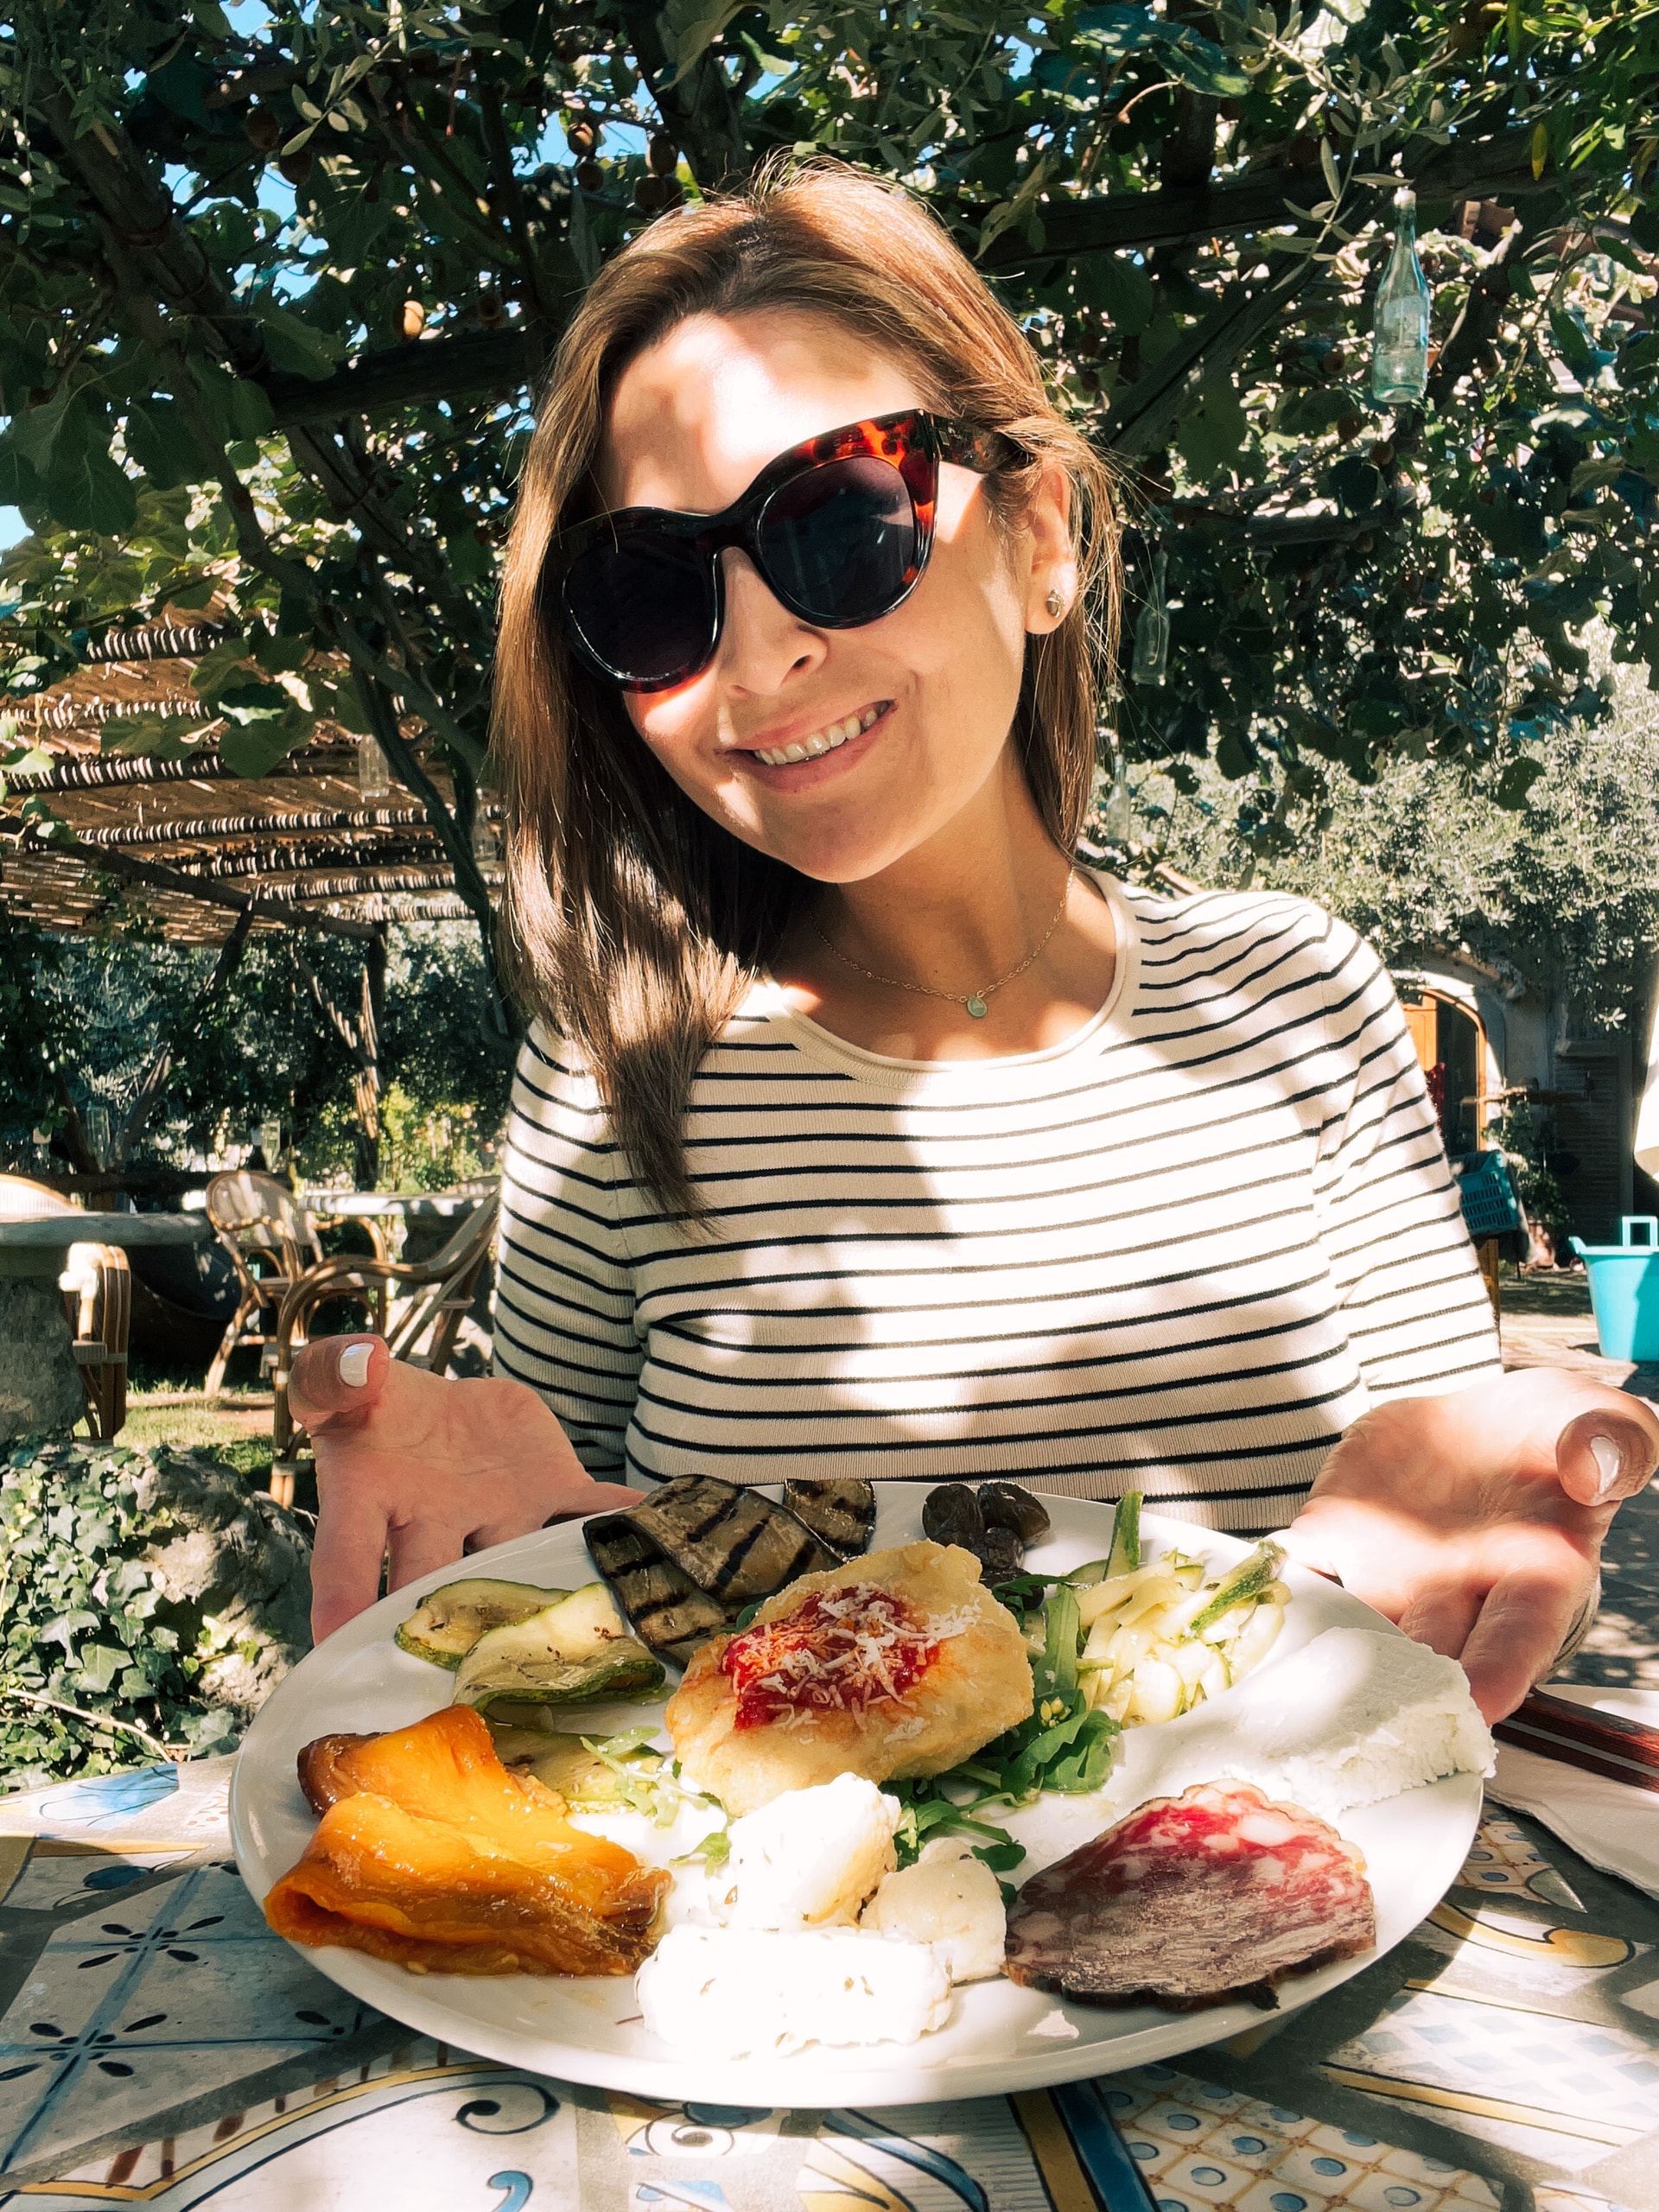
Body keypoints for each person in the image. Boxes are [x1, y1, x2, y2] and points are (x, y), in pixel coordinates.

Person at [291, 162, 1657, 1722]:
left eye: (837, 519)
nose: (757, 661)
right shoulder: (623, 1074)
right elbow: (554, 1559)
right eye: (655, 590)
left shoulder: (1301, 997)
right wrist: (477, 1532)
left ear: (1041, 535)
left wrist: (1514, 1481)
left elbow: (1439, 1497)